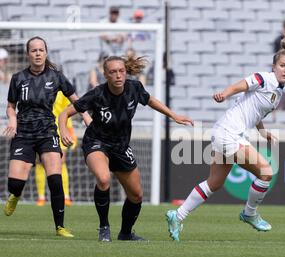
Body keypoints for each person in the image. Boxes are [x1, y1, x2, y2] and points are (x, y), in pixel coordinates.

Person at [165, 37, 285, 242]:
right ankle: (249, 213)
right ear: (273, 67)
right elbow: (244, 84)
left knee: (215, 182)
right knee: (265, 172)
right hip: (229, 133)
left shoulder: (277, 92)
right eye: (282, 65)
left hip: (223, 132)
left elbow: (255, 112)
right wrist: (225, 93)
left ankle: (177, 216)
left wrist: (262, 131)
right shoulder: (266, 78)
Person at [58, 55, 193, 242]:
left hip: (120, 146)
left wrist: (173, 115)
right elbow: (65, 113)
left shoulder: (134, 88)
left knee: (136, 195)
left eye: (121, 71)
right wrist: (63, 130)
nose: (118, 75)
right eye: (113, 72)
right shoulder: (97, 93)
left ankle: (126, 233)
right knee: (104, 179)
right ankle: (104, 227)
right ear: (105, 74)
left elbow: (150, 100)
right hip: (97, 142)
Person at [2, 36, 82, 238]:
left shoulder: (57, 77)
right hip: (24, 134)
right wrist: (12, 119)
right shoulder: (18, 78)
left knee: (55, 179)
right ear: (28, 54)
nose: (37, 53)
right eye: (33, 50)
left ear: (46, 53)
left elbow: (77, 101)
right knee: (15, 184)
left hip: (47, 132)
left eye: (41, 50)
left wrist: (87, 118)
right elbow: (11, 107)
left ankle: (60, 227)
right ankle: (16, 195)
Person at [35, 91, 78, 207]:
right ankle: (41, 197)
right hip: (40, 129)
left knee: (61, 161)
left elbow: (66, 111)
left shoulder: (61, 90)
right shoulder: (37, 87)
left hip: (59, 129)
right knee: (40, 162)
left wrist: (70, 130)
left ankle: (66, 196)